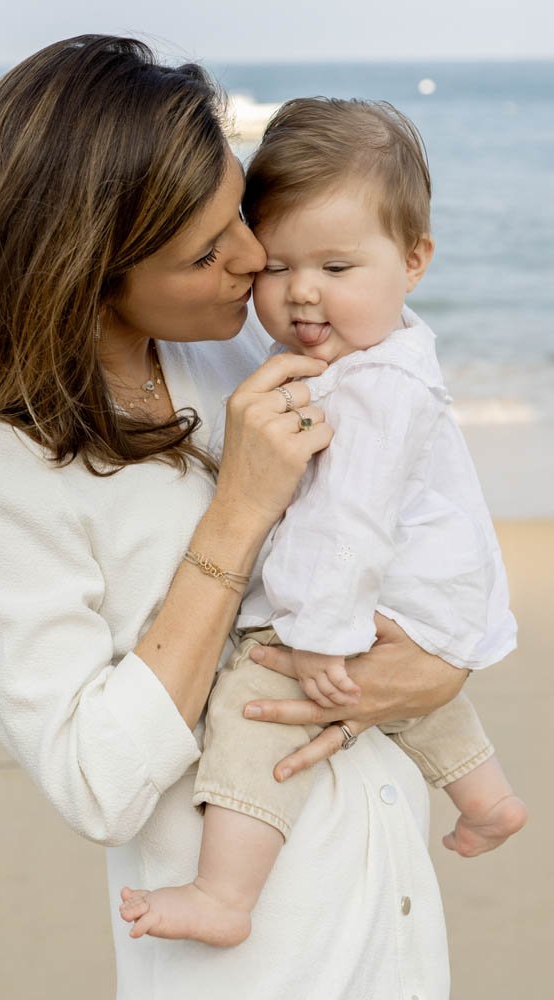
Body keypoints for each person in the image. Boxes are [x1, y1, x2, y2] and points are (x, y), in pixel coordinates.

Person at [0, 37, 462, 999]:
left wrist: (434, 668)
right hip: (263, 968)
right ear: (83, 269)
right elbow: (97, 782)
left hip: (391, 920)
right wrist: (239, 512)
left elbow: (415, 525)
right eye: (208, 250)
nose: (256, 260)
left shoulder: (228, 348)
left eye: (239, 216)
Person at [120, 97, 527, 949]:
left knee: (251, 702)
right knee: (409, 692)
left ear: (415, 260)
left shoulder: (373, 390)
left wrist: (317, 634)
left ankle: (226, 894)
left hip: (377, 599)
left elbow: (349, 531)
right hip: (429, 603)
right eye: (278, 267)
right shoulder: (371, 349)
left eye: (337, 268)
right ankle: (486, 797)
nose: (302, 291)